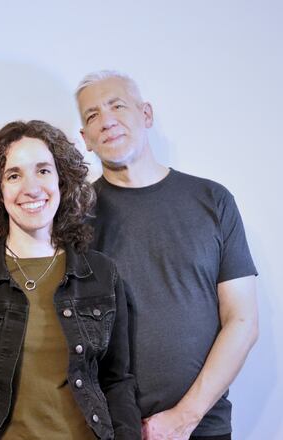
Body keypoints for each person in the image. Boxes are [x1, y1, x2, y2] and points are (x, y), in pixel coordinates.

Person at [0, 120, 140, 440]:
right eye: (14, 175)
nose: (31, 187)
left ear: (63, 181)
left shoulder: (101, 274)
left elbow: (118, 381)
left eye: (43, 171)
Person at [76, 70, 258, 440]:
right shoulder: (75, 219)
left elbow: (242, 321)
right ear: (86, 140)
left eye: (117, 105)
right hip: (108, 429)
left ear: (146, 115)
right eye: (92, 115)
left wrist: (183, 419)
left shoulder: (212, 200)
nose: (106, 119)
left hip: (202, 426)